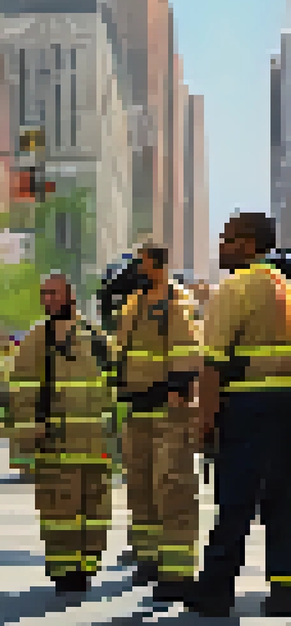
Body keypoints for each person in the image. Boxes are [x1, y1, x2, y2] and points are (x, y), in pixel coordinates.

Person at [187, 213, 291, 618]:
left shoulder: (235, 288)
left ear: (249, 245)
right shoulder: (285, 286)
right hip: (286, 407)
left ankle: (215, 592)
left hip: (247, 406)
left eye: (228, 240)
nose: (221, 247)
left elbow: (212, 364)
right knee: (283, 500)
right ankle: (284, 590)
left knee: (234, 501)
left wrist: (204, 423)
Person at [6, 274, 117, 593]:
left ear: (70, 295)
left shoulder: (96, 338)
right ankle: (64, 570)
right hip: (56, 444)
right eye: (44, 294)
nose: (48, 299)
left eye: (53, 293)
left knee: (96, 510)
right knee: (59, 510)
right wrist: (26, 445)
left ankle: (88, 564)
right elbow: (22, 393)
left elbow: (116, 385)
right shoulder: (36, 340)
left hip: (96, 446)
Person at [113, 243, 204, 603]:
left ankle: (178, 571)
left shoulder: (177, 303)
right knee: (140, 485)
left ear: (158, 265)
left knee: (173, 488)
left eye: (141, 263)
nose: (136, 269)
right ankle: (148, 557)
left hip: (169, 411)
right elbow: (122, 352)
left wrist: (176, 389)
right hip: (137, 409)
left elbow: (186, 354)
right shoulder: (133, 304)